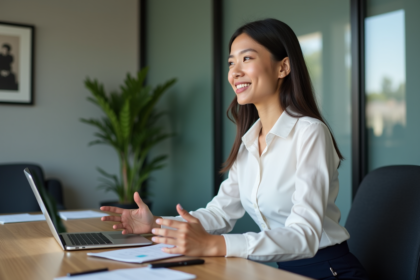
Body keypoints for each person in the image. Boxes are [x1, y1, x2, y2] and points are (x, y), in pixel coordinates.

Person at [101, 18, 370, 280]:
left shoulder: (310, 133)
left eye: (247, 58)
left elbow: (304, 235)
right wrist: (157, 224)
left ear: (283, 67)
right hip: (282, 271)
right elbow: (220, 213)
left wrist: (217, 245)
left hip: (329, 271)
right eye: (231, 62)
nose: (235, 71)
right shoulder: (249, 141)